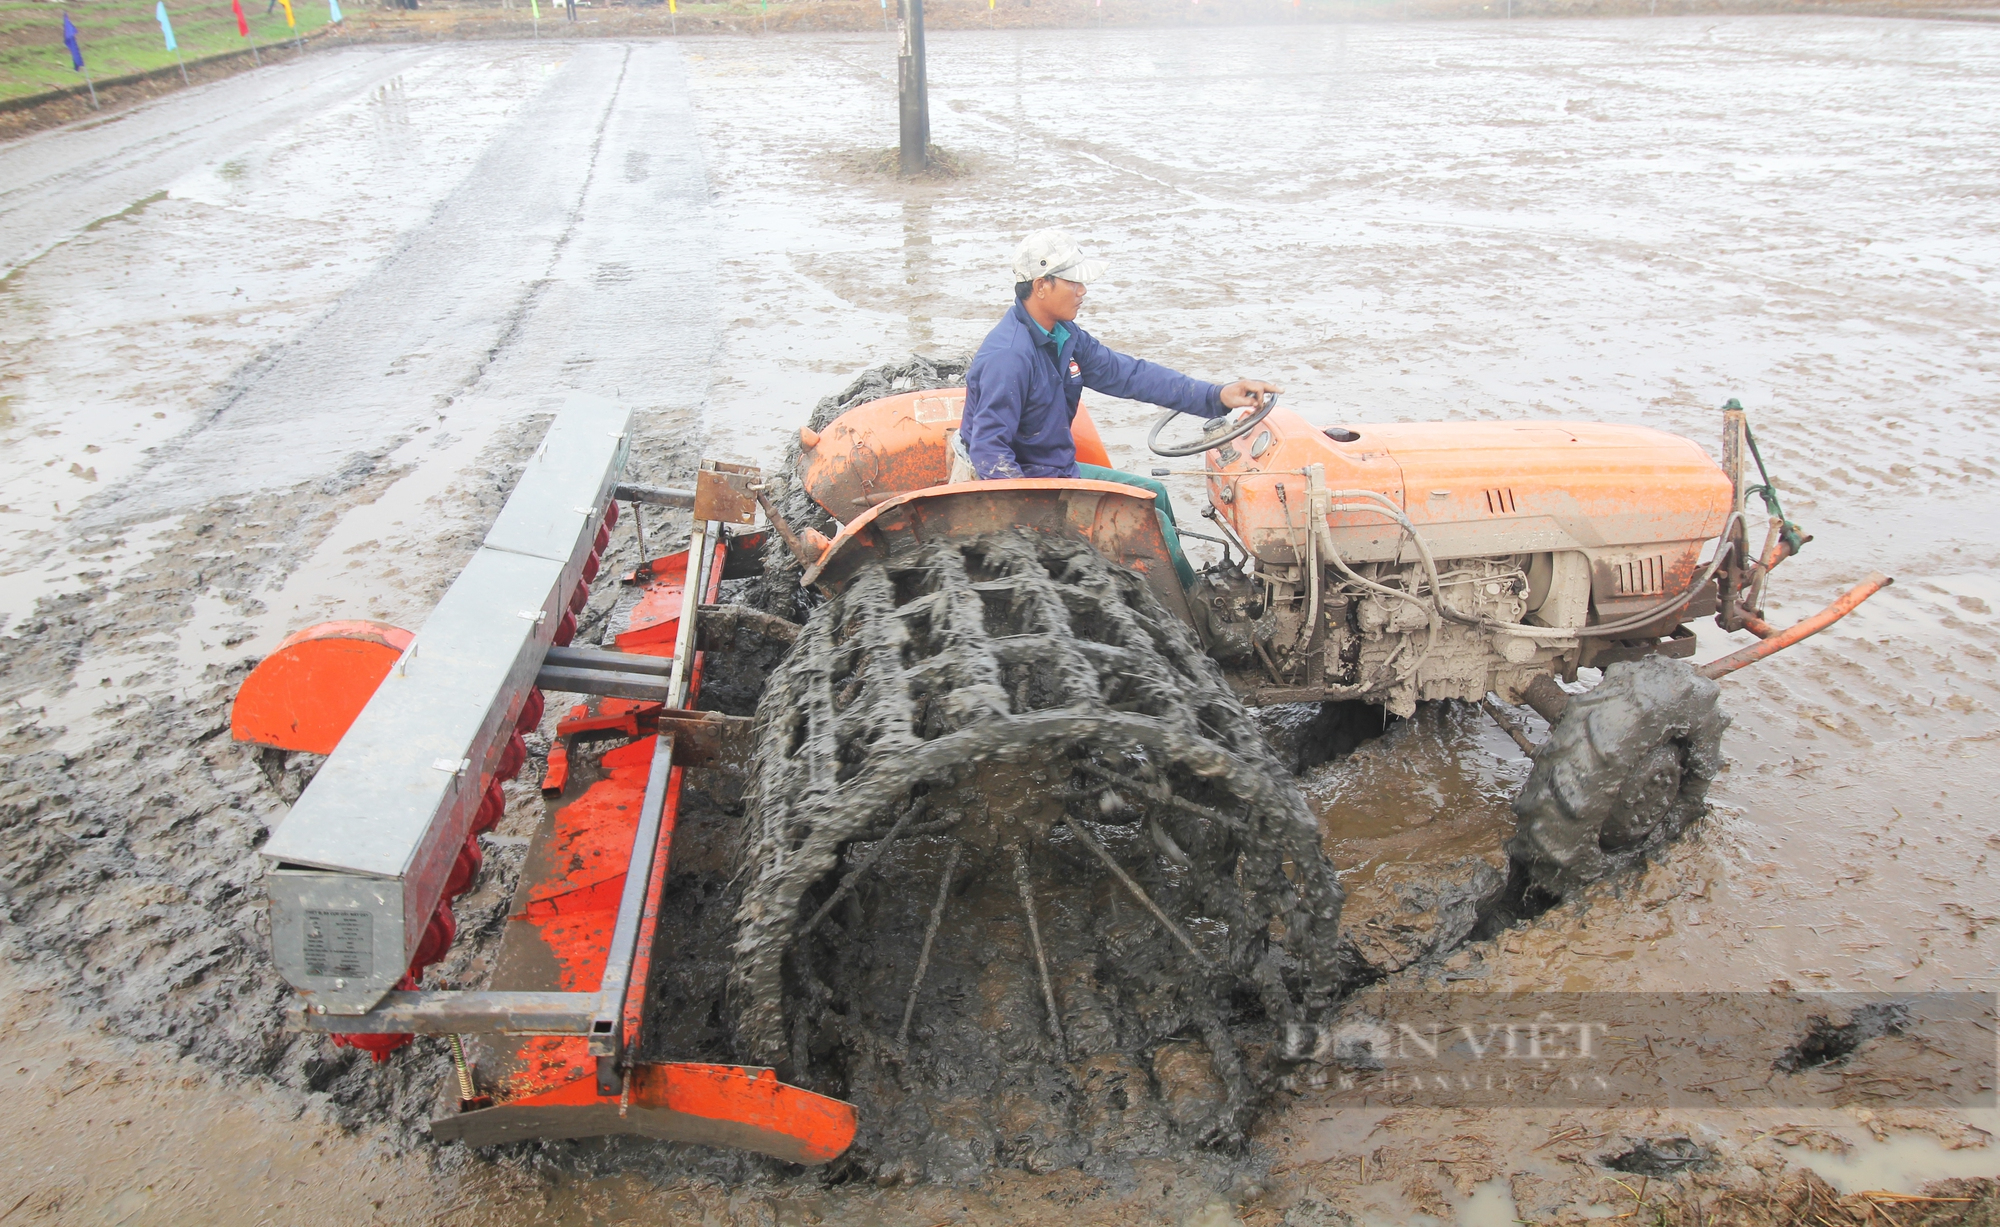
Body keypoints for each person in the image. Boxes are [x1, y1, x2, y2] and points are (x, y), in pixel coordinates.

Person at [960, 229, 1281, 589]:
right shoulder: (1009, 356)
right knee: (1152, 523)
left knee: (1155, 495)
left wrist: (1218, 395)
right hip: (1038, 482)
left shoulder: (1063, 334)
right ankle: (1192, 612)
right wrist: (1033, 530)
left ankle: (1184, 589)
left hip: (1056, 466)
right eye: (1074, 282)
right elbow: (989, 452)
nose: (1083, 291)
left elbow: (1129, 375)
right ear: (1041, 285)